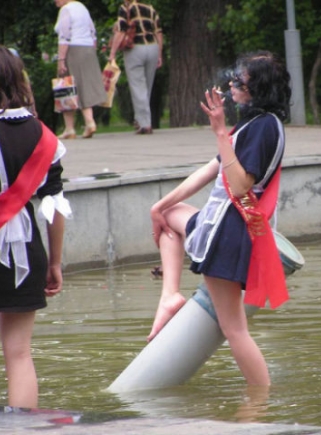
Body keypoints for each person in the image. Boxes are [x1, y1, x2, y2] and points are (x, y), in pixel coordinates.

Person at [148, 51, 291, 386]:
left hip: (229, 233)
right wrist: (159, 206)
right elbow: (211, 169)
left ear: (258, 89)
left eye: (239, 81)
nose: (232, 85)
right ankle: (170, 295)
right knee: (169, 215)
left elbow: (242, 185)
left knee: (235, 330)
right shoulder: (254, 124)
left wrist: (220, 133)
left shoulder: (265, 127)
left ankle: (259, 404)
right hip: (222, 226)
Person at [0, 45, 72, 408]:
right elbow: (54, 206)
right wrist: (55, 263)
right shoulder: (43, 133)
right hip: (28, 248)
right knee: (19, 355)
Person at [108, 0, 163, 135]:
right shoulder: (150, 8)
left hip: (135, 49)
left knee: (138, 87)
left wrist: (112, 53)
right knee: (146, 87)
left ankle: (145, 124)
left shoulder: (125, 8)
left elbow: (121, 31)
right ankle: (140, 120)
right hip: (152, 47)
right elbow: (159, 33)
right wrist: (160, 54)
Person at [54, 0, 106, 139]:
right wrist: (91, 52)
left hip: (73, 50)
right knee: (83, 84)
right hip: (88, 48)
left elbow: (64, 36)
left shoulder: (66, 10)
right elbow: (92, 31)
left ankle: (88, 123)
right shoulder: (82, 8)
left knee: (67, 86)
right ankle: (70, 127)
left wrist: (61, 60)